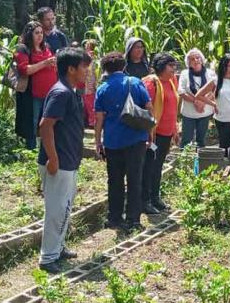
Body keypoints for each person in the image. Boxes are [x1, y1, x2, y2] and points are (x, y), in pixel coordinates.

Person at [37, 47, 91, 274]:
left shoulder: (70, 91)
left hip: (68, 160)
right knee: (57, 210)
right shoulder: (61, 93)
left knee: (65, 207)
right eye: (84, 67)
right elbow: (45, 126)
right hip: (58, 162)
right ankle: (48, 258)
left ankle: (57, 248)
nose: (87, 72)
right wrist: (53, 159)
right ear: (71, 69)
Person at [94, 52, 153, 232]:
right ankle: (133, 219)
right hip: (136, 139)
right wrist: (150, 132)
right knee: (135, 180)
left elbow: (99, 119)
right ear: (123, 67)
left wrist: (98, 141)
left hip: (113, 141)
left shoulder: (102, 89)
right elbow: (148, 108)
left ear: (105, 70)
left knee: (115, 181)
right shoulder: (135, 82)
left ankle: (114, 217)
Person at [141, 53, 180, 215]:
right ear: (161, 67)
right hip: (153, 134)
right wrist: (148, 133)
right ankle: (145, 200)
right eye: (170, 66)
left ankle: (155, 197)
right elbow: (146, 110)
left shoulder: (172, 81)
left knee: (158, 167)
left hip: (166, 133)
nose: (174, 69)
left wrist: (175, 130)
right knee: (148, 167)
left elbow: (173, 108)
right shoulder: (151, 83)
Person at [15, 21, 58, 150]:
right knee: (32, 123)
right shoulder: (22, 48)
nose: (40, 36)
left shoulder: (46, 46)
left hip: (50, 93)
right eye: (36, 33)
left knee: (49, 122)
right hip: (33, 94)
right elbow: (25, 70)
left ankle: (47, 149)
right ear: (29, 34)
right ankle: (31, 149)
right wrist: (45, 63)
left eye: (41, 33)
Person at [197, 53, 230, 153]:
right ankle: (226, 168)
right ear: (223, 66)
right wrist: (214, 104)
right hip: (223, 120)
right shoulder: (216, 80)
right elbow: (199, 95)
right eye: (229, 66)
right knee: (225, 148)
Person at [178, 48, 216, 148]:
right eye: (192, 59)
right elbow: (181, 92)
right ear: (188, 63)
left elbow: (214, 90)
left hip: (205, 113)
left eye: (198, 57)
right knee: (186, 141)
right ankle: (185, 162)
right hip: (188, 114)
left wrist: (203, 102)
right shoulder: (184, 73)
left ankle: (200, 162)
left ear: (202, 59)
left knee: (201, 141)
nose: (196, 60)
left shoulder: (210, 73)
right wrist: (196, 101)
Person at [82, 40, 98, 128]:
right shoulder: (97, 56)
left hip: (89, 82)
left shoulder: (88, 56)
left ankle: (92, 121)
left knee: (89, 101)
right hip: (94, 81)